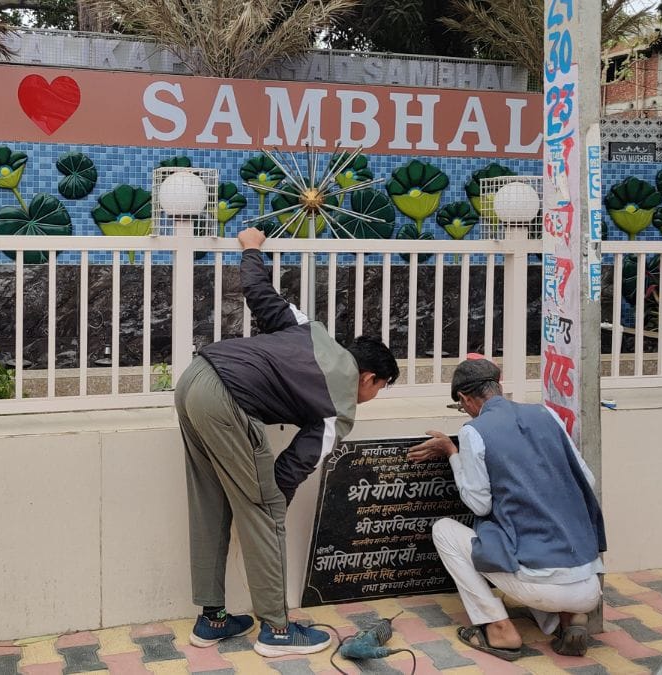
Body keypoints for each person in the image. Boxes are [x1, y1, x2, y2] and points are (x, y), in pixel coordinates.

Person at [177, 227, 400, 657]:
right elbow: (288, 472)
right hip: (227, 400)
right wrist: (261, 510)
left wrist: (252, 249)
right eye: (381, 388)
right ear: (370, 378)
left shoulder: (310, 330)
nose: (374, 396)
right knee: (266, 507)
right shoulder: (341, 408)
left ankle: (213, 620)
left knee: (210, 500)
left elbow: (258, 294)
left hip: (194, 378)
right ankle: (277, 632)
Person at [409, 357, 606, 661]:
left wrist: (452, 452)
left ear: (464, 398)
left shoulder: (475, 431)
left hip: (540, 581)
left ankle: (498, 628)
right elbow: (586, 479)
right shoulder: (546, 414)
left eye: (462, 407)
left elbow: (479, 503)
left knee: (444, 531)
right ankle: (568, 620)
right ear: (498, 386)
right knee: (545, 536)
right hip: (589, 586)